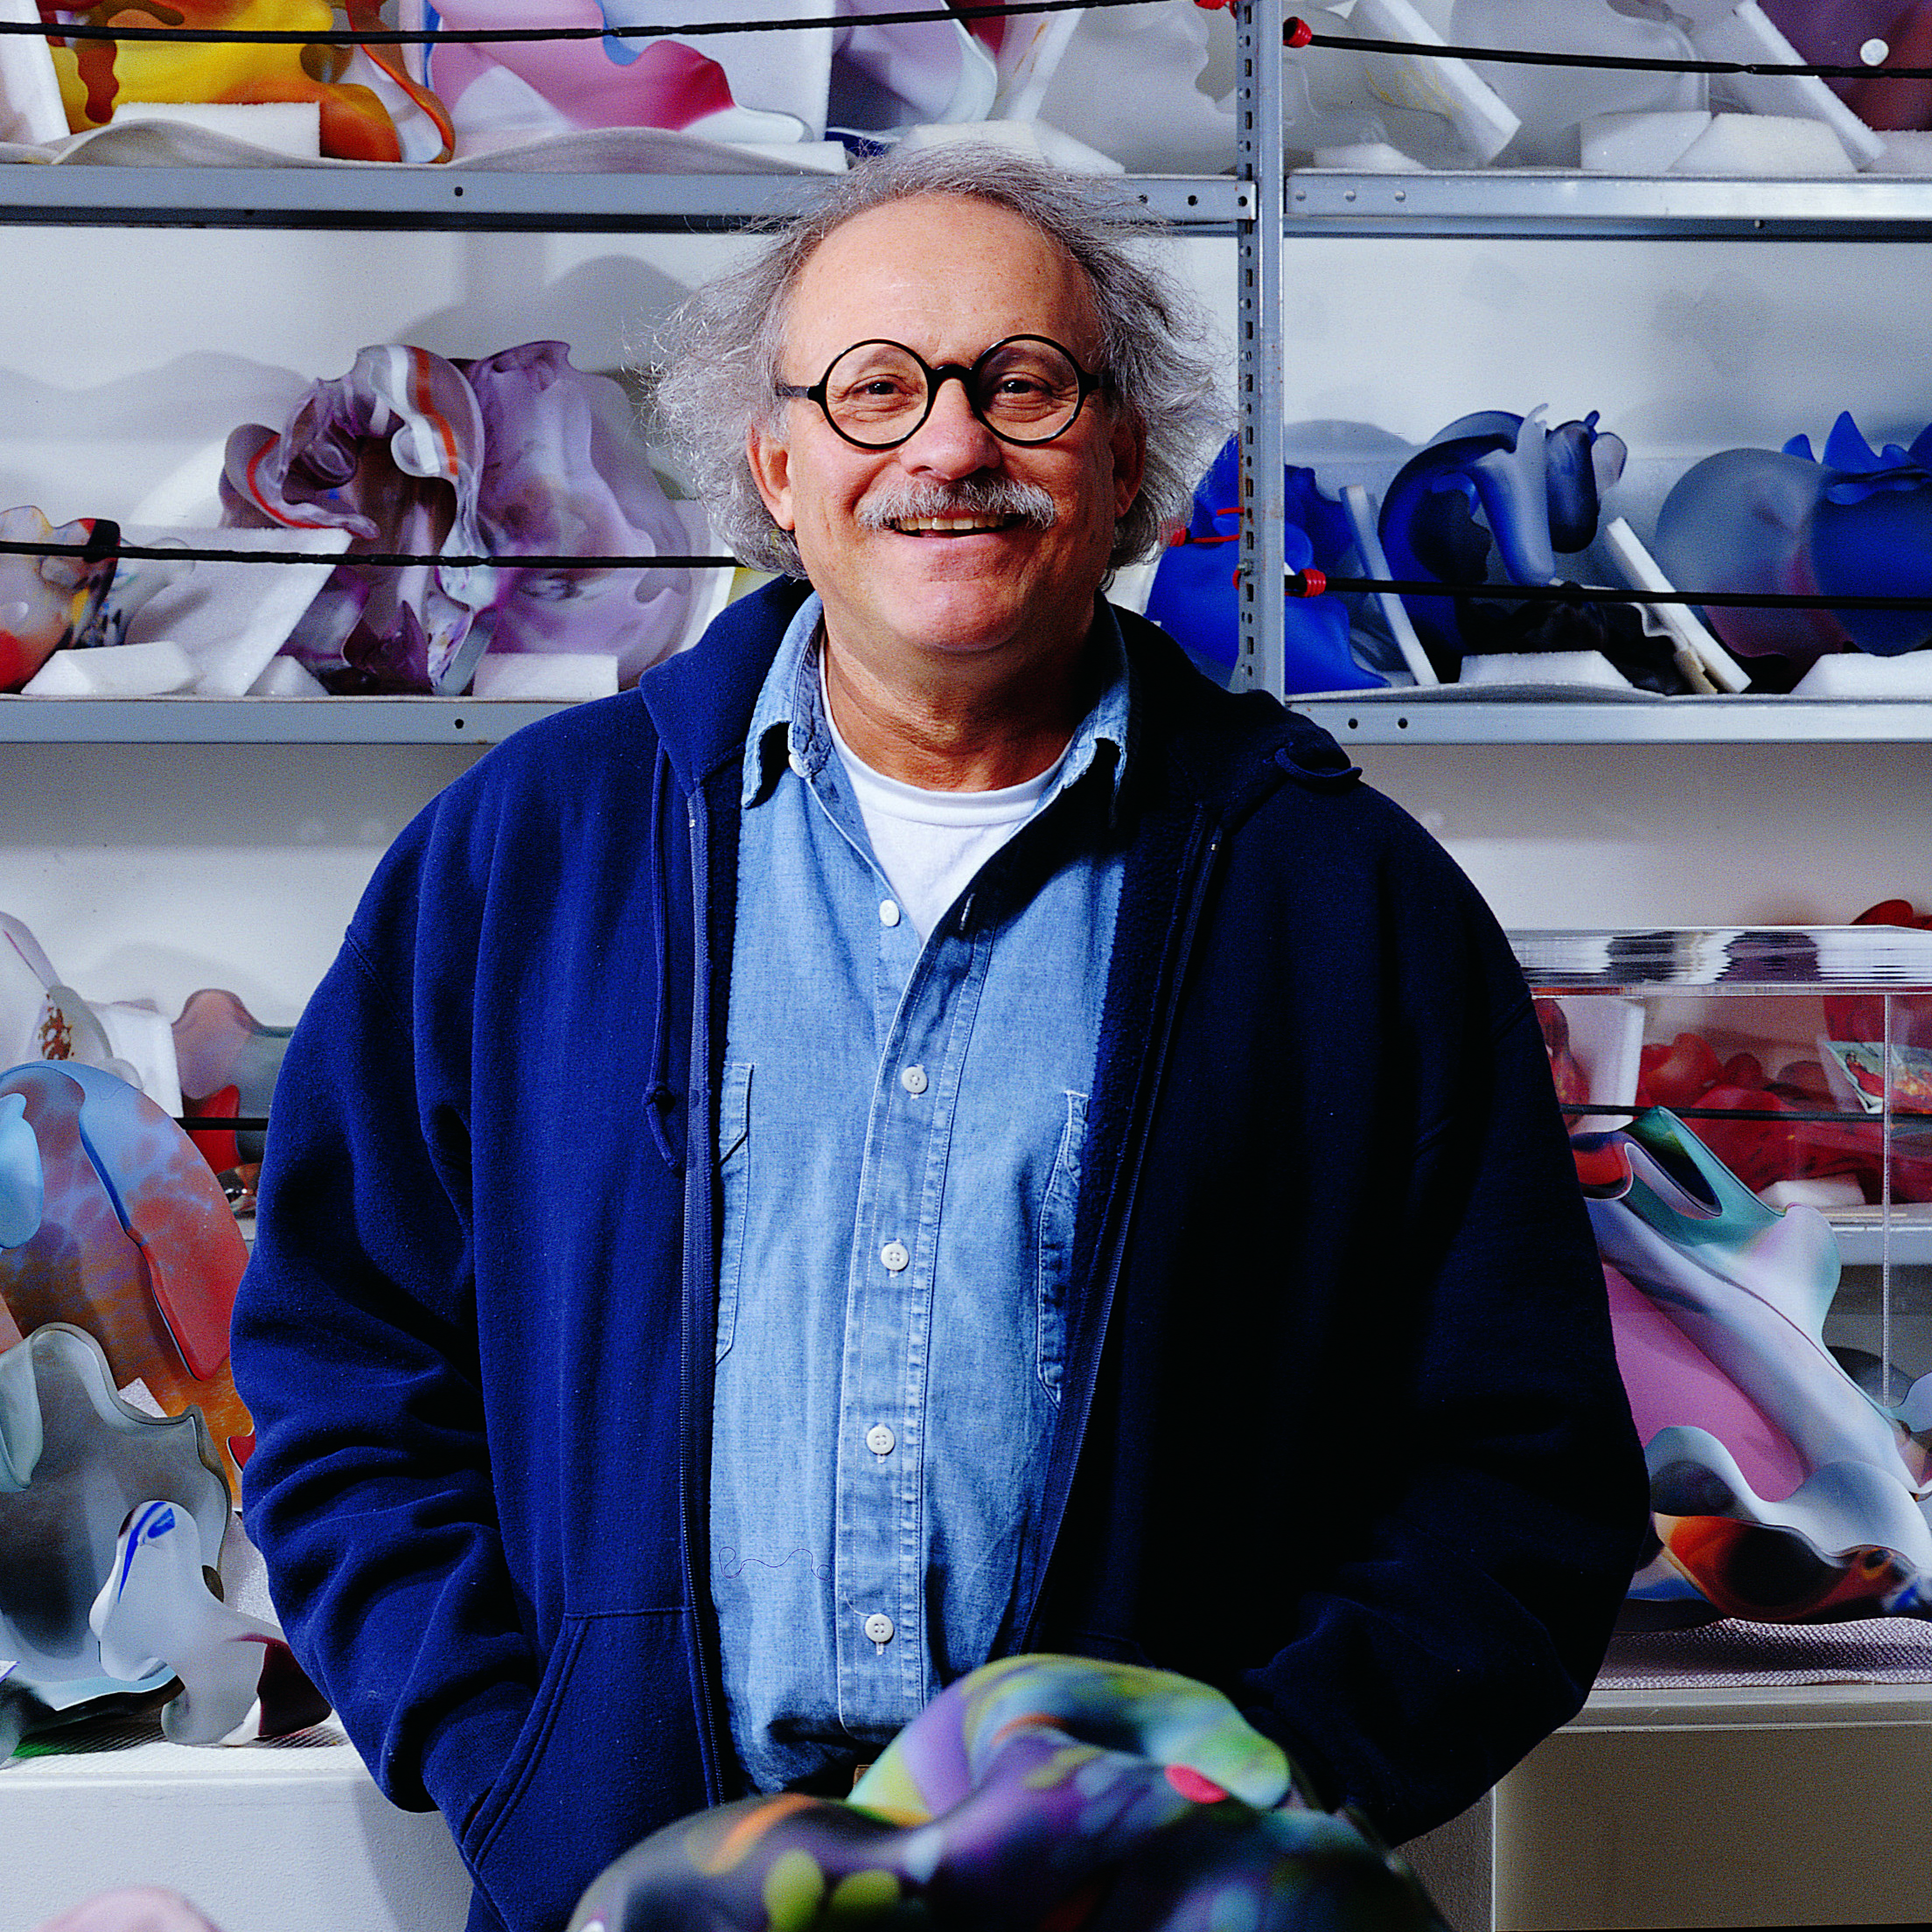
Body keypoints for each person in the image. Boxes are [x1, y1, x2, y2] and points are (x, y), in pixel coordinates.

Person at [229, 146, 1648, 1932]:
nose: (949, 446)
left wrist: (1243, 1802)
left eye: (1024, 384)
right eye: (877, 389)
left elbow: (1520, 1485)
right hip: (650, 1891)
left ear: (1128, 457)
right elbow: (344, 1376)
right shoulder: (524, 865)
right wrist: (516, 1763)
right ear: (778, 465)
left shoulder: (1344, 907)